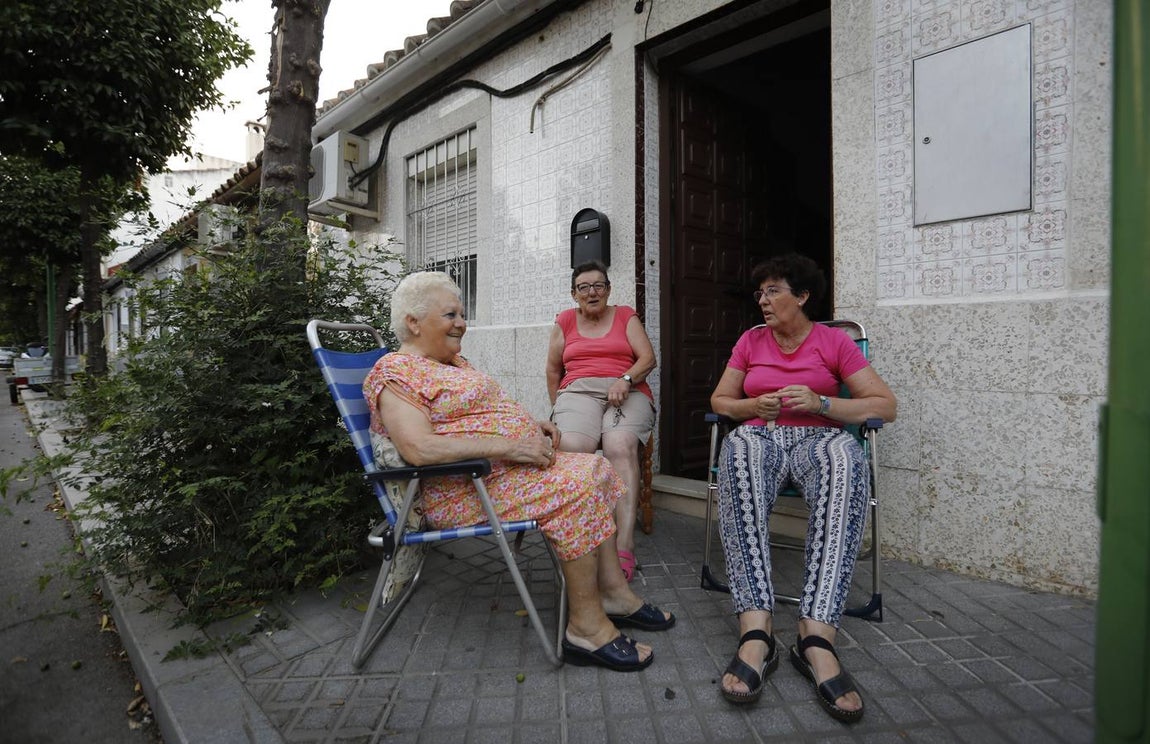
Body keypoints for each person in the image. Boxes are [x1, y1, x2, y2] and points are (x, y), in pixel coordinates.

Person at [364, 271, 675, 673]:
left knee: (596, 466)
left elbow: (483, 415)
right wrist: (511, 445)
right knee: (575, 484)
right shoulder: (396, 374)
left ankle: (614, 592)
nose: (462, 322)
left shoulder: (453, 363)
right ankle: (586, 628)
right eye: (451, 314)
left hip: (495, 476)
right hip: (462, 489)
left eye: (462, 313)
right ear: (413, 322)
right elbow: (419, 448)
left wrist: (531, 424)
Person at [709, 253, 897, 721]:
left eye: (774, 291)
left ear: (803, 296)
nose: (763, 301)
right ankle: (757, 630)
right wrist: (753, 404)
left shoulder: (833, 342)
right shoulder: (750, 341)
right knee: (737, 452)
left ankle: (816, 635)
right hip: (764, 435)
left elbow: (884, 405)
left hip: (820, 437)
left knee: (847, 461)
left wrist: (823, 402)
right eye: (760, 293)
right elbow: (720, 401)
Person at [545, 260, 656, 582]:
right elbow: (554, 370)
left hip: (627, 390)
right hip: (578, 393)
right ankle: (584, 529)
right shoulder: (565, 321)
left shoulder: (624, 315)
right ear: (574, 294)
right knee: (572, 447)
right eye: (584, 287)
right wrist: (561, 405)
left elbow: (648, 358)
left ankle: (624, 542)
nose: (592, 292)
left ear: (608, 290)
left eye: (598, 285)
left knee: (618, 445)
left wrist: (625, 378)